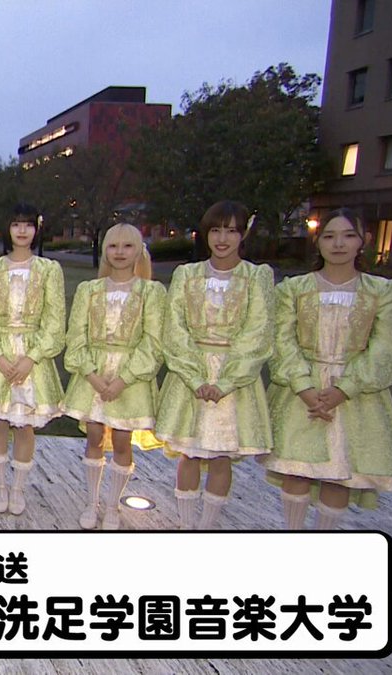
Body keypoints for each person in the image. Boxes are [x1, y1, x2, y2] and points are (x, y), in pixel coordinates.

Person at [260, 209, 392, 529]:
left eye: (348, 236)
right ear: (318, 242)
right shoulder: (293, 289)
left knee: (338, 474)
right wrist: (304, 386)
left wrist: (344, 389)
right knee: (297, 469)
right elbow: (280, 339)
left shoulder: (384, 292)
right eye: (330, 236)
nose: (339, 244)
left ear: (363, 241)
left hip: (354, 396)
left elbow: (387, 348)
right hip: (301, 391)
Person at [155, 200, 275, 530]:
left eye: (231, 231)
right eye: (216, 230)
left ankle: (208, 525)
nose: (223, 239)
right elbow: (174, 326)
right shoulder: (187, 275)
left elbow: (258, 331)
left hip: (234, 379)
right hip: (190, 374)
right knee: (190, 452)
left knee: (222, 455)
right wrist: (195, 377)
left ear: (243, 234)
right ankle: (186, 523)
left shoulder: (256, 277)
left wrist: (226, 381)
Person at [62, 223, 166, 530]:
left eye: (127, 246)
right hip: (93, 375)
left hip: (129, 379)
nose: (120, 252)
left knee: (122, 440)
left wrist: (123, 379)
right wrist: (92, 376)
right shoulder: (89, 290)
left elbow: (153, 341)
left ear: (139, 251)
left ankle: (113, 505)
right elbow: (76, 336)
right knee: (94, 435)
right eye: (113, 246)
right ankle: (92, 502)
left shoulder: (151, 292)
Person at [0, 205, 65, 515]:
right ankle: (0, 485)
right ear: (7, 229)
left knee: (25, 426)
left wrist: (31, 358)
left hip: (32, 358)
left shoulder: (49, 270)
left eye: (28, 225)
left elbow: (55, 322)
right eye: (15, 224)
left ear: (37, 229)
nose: (22, 231)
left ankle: (18, 488)